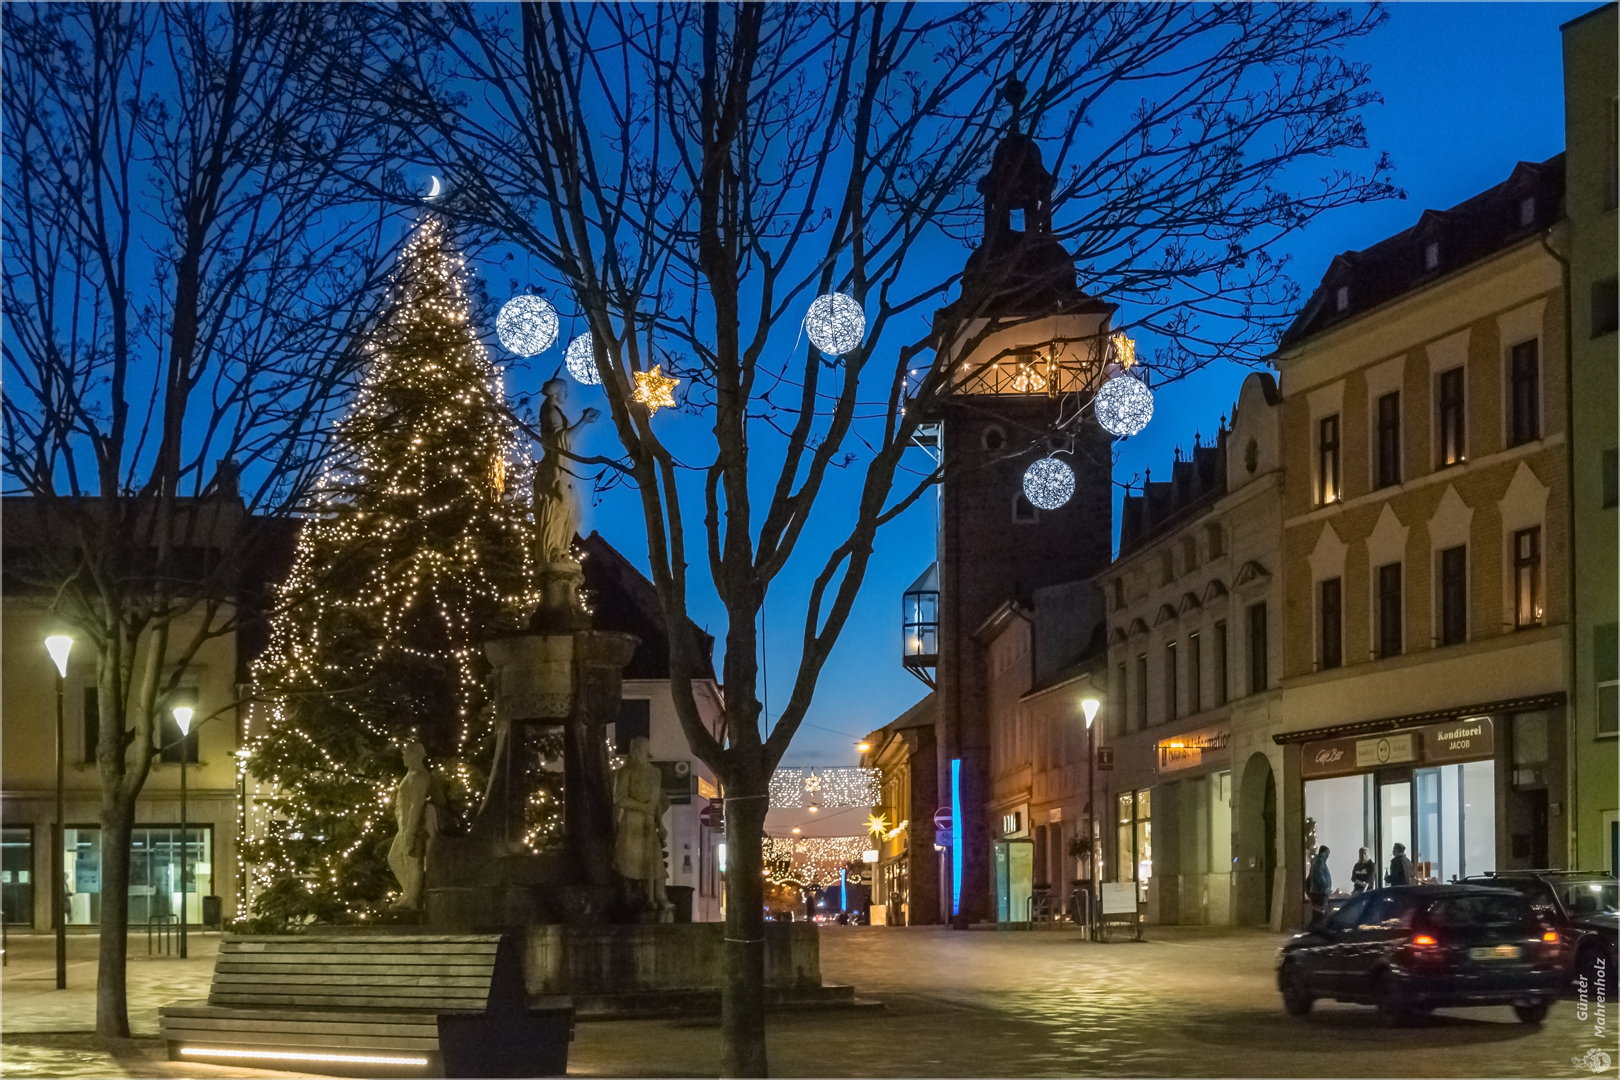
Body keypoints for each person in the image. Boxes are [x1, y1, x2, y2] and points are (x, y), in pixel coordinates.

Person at [1306, 845, 1332, 922]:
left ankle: (1315, 928)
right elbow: (1319, 875)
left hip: (1316, 891)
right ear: (1323, 853)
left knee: (1317, 912)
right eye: (1327, 853)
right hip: (1320, 892)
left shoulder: (1316, 861)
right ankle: (1317, 928)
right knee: (1320, 913)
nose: (1327, 856)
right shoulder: (1320, 861)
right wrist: (1325, 887)